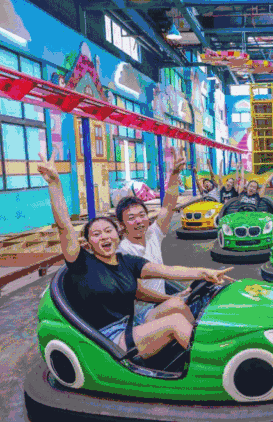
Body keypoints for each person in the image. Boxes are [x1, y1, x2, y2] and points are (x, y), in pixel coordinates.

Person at [37, 151, 234, 360]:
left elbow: (167, 271)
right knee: (174, 322)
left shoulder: (127, 261)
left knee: (178, 305)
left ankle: (194, 349)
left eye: (108, 231)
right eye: (96, 234)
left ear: (117, 233)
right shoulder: (83, 263)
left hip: (132, 323)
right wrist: (55, 184)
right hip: (107, 338)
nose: (104, 236)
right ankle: (211, 362)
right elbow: (64, 227)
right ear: (88, 243)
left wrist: (205, 272)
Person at [116, 147, 185, 317]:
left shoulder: (153, 234)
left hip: (161, 303)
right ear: (122, 225)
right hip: (142, 313)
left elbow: (168, 206)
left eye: (142, 215)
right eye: (131, 218)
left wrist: (174, 174)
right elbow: (139, 292)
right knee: (180, 308)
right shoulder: (123, 251)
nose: (139, 221)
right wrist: (171, 299)